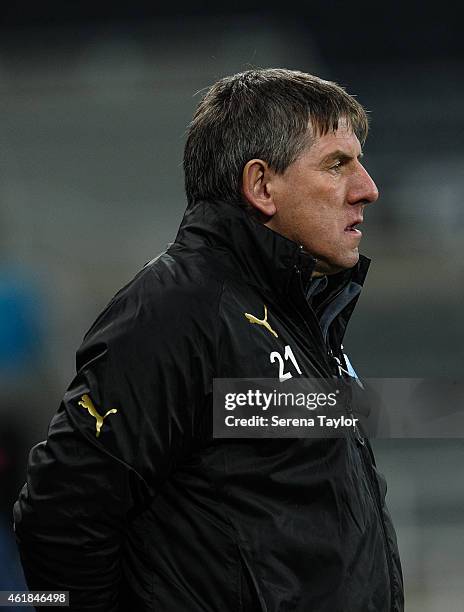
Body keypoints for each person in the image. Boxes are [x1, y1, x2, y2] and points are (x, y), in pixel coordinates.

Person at [14, 68, 404, 611]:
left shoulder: (300, 316)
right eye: (337, 164)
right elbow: (58, 514)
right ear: (262, 186)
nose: (368, 188)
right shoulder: (177, 311)